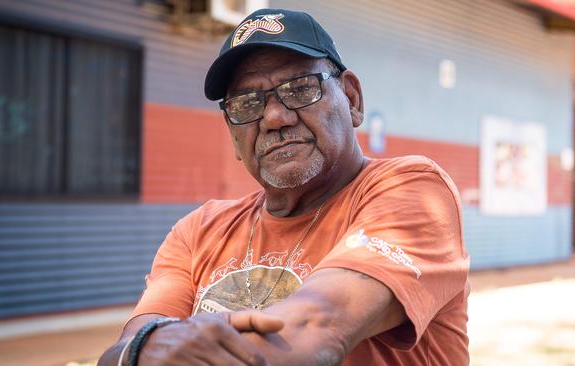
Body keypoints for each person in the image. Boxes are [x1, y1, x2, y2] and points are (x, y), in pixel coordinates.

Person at [99, 8, 470, 366]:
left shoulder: (412, 189)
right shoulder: (197, 232)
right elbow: (124, 351)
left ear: (353, 100)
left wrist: (160, 351)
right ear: (233, 137)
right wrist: (140, 350)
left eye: (299, 88)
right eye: (246, 103)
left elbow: (316, 328)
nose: (275, 118)